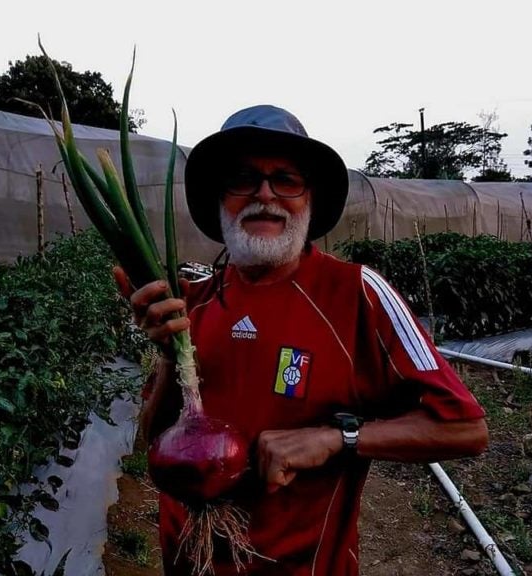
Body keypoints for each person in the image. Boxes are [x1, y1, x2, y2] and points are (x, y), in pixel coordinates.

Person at [115, 105, 488, 576]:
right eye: (243, 179)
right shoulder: (190, 304)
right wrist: (169, 360)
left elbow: (466, 428)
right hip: (189, 560)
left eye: (286, 179)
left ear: (310, 198)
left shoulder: (356, 295)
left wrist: (337, 439)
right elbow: (157, 441)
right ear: (219, 198)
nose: (265, 195)